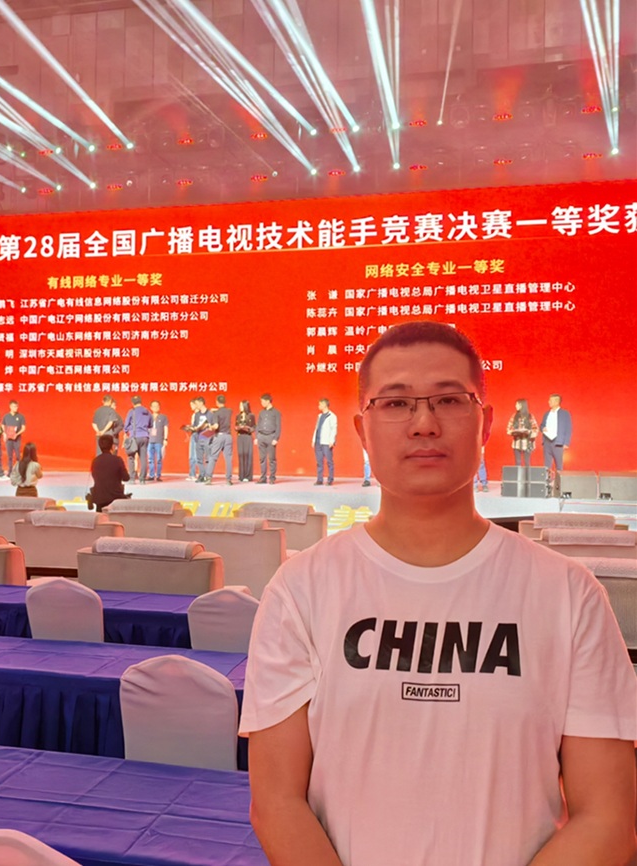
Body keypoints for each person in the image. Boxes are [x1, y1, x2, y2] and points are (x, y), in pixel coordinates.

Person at [240, 321, 636, 866]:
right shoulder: (300, 589)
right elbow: (277, 803)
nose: (424, 424)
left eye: (449, 400)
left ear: (485, 423)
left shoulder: (570, 595)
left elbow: (608, 820)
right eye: (396, 404)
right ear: (362, 430)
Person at [88, 434, 130, 512]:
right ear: (112, 446)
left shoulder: (95, 461)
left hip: (99, 498)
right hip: (115, 498)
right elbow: (126, 478)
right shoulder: (117, 460)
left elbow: (95, 476)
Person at [205, 394, 233, 485]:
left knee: (213, 457)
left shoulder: (216, 414)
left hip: (219, 436)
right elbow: (225, 411)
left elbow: (216, 426)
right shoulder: (229, 411)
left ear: (217, 402)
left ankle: (208, 478)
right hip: (228, 436)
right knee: (228, 459)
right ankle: (228, 480)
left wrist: (211, 427)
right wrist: (215, 410)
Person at [540, 393, 572, 474]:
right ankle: (547, 480)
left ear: (557, 402)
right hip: (547, 441)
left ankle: (559, 480)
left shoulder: (565, 414)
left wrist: (566, 443)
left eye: (550, 400)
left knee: (559, 464)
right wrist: (543, 428)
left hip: (558, 441)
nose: (549, 402)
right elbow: (541, 425)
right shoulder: (547, 414)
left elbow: (568, 428)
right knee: (547, 464)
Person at [123, 395, 152, 484]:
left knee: (131, 457)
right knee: (143, 458)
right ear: (140, 401)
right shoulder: (147, 411)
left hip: (134, 437)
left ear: (132, 403)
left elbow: (126, 426)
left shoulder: (132, 411)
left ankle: (132, 479)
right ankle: (142, 479)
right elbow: (151, 425)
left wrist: (127, 431)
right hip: (145, 437)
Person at [256, 393, 281, 484]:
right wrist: (257, 436)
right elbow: (258, 425)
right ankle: (263, 478)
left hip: (271, 437)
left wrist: (276, 438)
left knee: (272, 459)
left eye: (262, 401)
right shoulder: (261, 412)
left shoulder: (276, 412)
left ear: (268, 401)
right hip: (261, 436)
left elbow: (278, 426)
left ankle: (272, 478)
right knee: (262, 459)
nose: (261, 403)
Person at [507, 398, 539, 467]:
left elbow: (535, 429)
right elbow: (509, 429)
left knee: (527, 462)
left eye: (517, 404)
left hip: (527, 442)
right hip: (517, 442)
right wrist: (514, 431)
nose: (516, 406)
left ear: (522, 405)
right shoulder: (514, 416)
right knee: (518, 462)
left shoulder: (530, 416)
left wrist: (528, 432)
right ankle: (518, 474)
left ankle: (527, 474)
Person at [312, 398, 337, 486]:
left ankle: (330, 479)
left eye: (320, 404)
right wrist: (313, 440)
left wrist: (331, 440)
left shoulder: (332, 416)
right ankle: (319, 479)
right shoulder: (319, 416)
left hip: (326, 442)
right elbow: (316, 428)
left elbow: (334, 429)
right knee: (319, 462)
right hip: (318, 442)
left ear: (324, 405)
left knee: (329, 461)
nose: (318, 406)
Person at [1, 399, 26, 477]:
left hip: (17, 439)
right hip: (9, 440)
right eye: (14, 406)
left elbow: (23, 428)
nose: (16, 408)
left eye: (17, 406)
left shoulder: (21, 416)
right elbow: (2, 425)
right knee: (10, 456)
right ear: (10, 407)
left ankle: (19, 471)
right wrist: (4, 433)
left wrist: (17, 434)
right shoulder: (6, 416)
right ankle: (10, 471)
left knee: (18, 455)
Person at [192, 396, 213, 483]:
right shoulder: (197, 415)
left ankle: (207, 476)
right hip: (199, 438)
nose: (196, 405)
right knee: (199, 459)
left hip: (207, 438)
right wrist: (193, 428)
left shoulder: (210, 414)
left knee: (208, 459)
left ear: (201, 403)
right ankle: (201, 475)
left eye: (197, 404)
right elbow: (195, 425)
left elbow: (213, 427)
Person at [148, 400, 169, 482]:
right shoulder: (148, 417)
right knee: (150, 459)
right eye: (154, 406)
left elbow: (166, 428)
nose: (155, 407)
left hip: (159, 440)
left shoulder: (163, 417)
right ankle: (151, 475)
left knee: (159, 459)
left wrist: (165, 439)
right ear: (151, 407)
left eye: (157, 406)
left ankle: (158, 475)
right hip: (150, 440)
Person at [235, 400, 256, 482]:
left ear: (245, 406)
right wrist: (238, 428)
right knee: (241, 455)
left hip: (247, 436)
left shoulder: (251, 416)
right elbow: (236, 425)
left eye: (241, 405)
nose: (240, 407)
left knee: (248, 455)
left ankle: (248, 476)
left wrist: (248, 428)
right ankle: (241, 475)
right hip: (240, 436)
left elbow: (254, 427)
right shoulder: (238, 416)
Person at [184, 398, 200, 480]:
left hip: (199, 435)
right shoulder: (193, 415)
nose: (191, 406)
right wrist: (189, 428)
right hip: (193, 435)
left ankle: (199, 474)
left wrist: (194, 428)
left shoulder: (200, 415)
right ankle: (192, 474)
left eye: (192, 405)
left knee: (196, 456)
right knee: (191, 456)